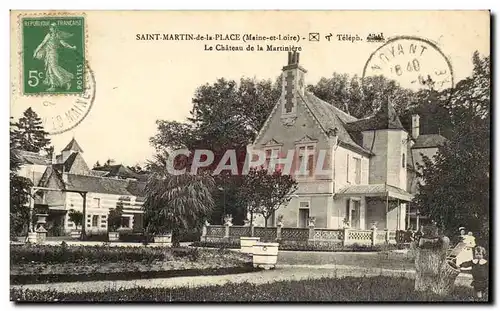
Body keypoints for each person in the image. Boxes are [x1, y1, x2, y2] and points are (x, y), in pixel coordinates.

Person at [33, 23, 77, 91]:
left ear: (55, 28)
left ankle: (66, 82)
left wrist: (71, 47)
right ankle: (53, 86)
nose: (51, 29)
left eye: (52, 28)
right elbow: (43, 43)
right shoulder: (49, 35)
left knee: (54, 68)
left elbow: (64, 44)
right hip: (48, 54)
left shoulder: (57, 35)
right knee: (50, 69)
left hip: (53, 54)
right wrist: (36, 51)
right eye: (50, 27)